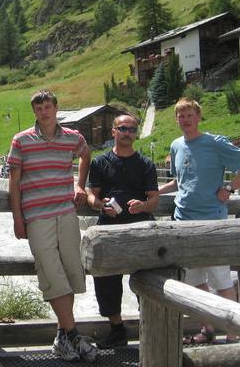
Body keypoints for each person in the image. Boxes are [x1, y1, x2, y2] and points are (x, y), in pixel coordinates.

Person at [158, 97, 240, 344]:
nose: (185, 120)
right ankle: (208, 329)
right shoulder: (175, 145)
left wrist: (230, 188)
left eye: (189, 115)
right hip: (184, 221)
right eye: (181, 116)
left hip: (213, 221)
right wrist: (154, 193)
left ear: (198, 117)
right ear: (176, 119)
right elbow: (180, 181)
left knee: (222, 280)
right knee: (194, 281)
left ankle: (233, 334)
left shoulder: (215, 143)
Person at [7, 89, 98, 363]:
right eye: (39, 108)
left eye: (47, 107)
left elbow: (86, 154)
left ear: (56, 108)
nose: (43, 112)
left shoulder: (72, 137)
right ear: (34, 112)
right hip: (37, 217)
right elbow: (14, 182)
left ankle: (62, 339)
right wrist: (17, 218)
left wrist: (79, 185)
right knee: (52, 273)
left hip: (66, 214)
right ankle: (74, 335)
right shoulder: (21, 140)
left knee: (70, 273)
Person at [86, 113, 159, 349]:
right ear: (113, 131)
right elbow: (91, 196)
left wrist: (143, 206)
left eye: (132, 129)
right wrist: (101, 206)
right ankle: (117, 329)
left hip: (140, 229)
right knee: (105, 280)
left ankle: (150, 328)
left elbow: (154, 199)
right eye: (123, 128)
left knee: (146, 279)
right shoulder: (99, 162)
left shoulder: (146, 164)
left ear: (136, 134)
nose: (127, 133)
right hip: (108, 230)